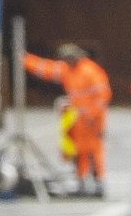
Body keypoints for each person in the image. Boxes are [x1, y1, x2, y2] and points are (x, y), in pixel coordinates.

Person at [23, 40, 112, 196]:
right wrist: (25, 59)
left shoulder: (90, 71)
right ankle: (83, 182)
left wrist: (92, 116)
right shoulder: (68, 69)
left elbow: (103, 96)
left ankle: (99, 183)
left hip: (92, 121)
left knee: (93, 152)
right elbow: (46, 68)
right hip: (80, 119)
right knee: (80, 152)